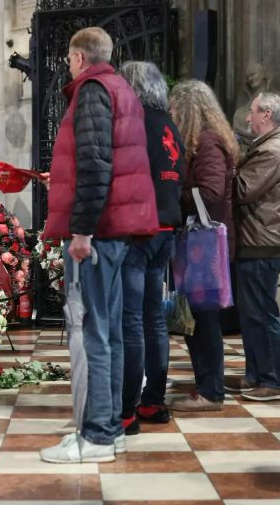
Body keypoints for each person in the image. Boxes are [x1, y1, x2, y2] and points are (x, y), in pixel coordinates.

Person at [40, 27, 158, 463]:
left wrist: (82, 231)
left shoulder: (91, 89)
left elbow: (95, 162)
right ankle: (111, 428)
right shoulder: (122, 88)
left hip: (99, 231)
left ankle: (96, 437)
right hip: (119, 227)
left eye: (69, 59)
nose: (68, 66)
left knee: (92, 332)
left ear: (78, 57)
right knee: (109, 331)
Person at [117, 61, 185, 431]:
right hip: (166, 229)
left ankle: (126, 411)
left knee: (131, 321)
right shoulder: (170, 125)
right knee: (153, 318)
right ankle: (152, 402)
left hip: (139, 232)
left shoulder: (136, 123)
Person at [168, 80, 240, 411]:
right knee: (197, 321)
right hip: (200, 246)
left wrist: (172, 198)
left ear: (188, 110)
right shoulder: (206, 141)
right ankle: (206, 387)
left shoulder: (208, 142)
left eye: (174, 109)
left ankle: (211, 392)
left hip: (205, 247)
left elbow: (209, 193)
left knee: (205, 322)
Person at [230, 92, 280, 401]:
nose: (249, 118)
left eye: (253, 112)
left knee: (261, 313)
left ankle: (275, 380)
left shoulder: (273, 149)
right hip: (260, 238)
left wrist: (225, 168)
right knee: (253, 313)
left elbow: (242, 189)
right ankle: (259, 374)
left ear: (267, 115)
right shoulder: (272, 146)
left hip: (263, 239)